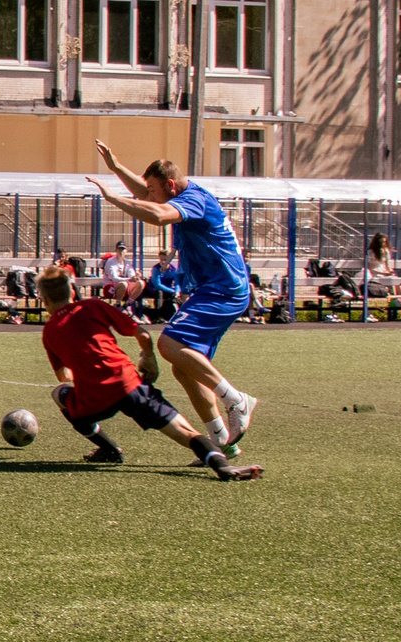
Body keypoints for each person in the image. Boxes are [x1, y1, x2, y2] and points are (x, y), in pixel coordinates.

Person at [90, 142, 260, 450]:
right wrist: (116, 169)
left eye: (154, 190)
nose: (148, 195)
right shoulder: (179, 194)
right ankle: (222, 441)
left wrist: (112, 198)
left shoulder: (194, 200)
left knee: (169, 343)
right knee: (184, 366)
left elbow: (157, 215)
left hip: (225, 288)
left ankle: (236, 400)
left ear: (170, 185)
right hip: (215, 287)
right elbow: (147, 196)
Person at [37, 268, 260, 480]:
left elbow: (63, 377)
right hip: (130, 384)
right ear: (72, 292)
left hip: (93, 399)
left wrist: (85, 368)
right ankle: (222, 466)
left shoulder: (49, 331)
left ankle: (110, 449)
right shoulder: (93, 306)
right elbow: (142, 335)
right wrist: (148, 358)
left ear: (44, 300)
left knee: (60, 395)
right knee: (184, 431)